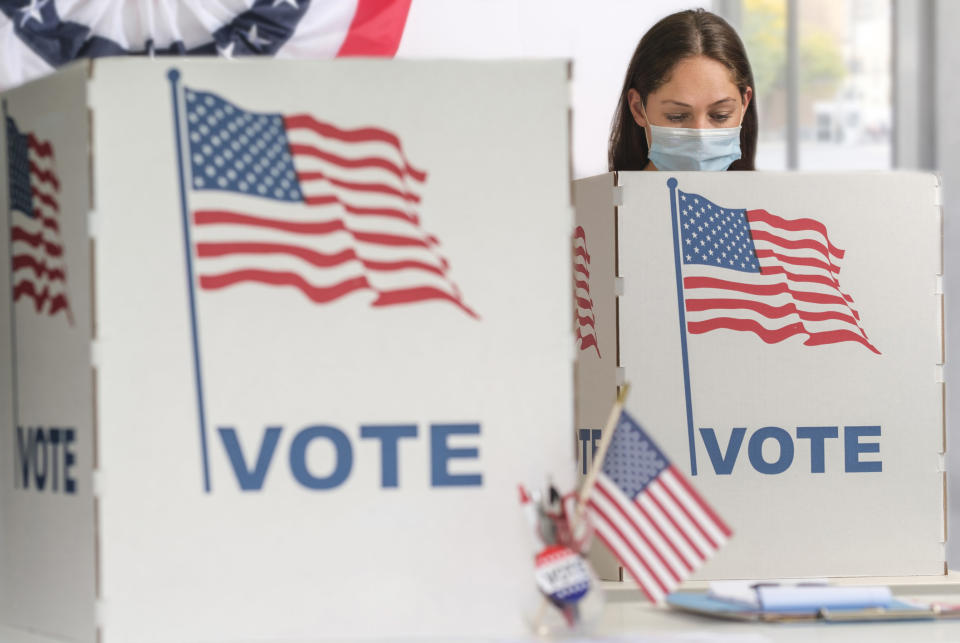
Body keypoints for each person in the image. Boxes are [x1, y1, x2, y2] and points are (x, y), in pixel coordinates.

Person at [609, 8, 758, 172]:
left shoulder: (770, 196)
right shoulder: (601, 197)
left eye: (720, 116)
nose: (700, 136)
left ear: (744, 104)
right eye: (676, 116)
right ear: (638, 108)